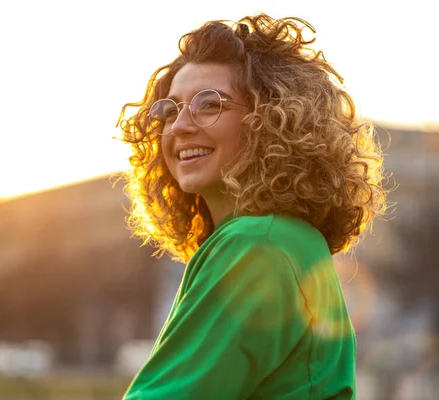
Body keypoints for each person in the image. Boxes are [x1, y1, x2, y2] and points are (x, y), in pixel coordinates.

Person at [115, 12, 388, 399]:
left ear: (271, 119)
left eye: (209, 104)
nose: (178, 127)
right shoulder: (283, 238)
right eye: (169, 110)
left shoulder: (257, 244)